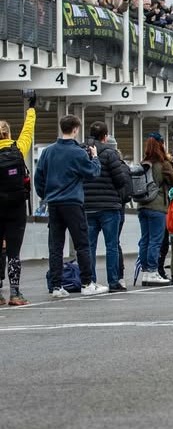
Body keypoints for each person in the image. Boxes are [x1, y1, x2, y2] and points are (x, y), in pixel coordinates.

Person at [34, 115, 108, 298]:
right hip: (73, 203)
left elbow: (38, 179)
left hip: (54, 204)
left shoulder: (48, 152)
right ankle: (87, 283)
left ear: (62, 128)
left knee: (56, 246)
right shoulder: (77, 152)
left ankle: (56, 286)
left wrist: (47, 195)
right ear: (75, 129)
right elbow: (93, 172)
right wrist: (95, 157)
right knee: (82, 244)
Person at [83, 121, 132, 292]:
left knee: (89, 246)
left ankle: (90, 281)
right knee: (111, 245)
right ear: (105, 136)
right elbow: (120, 180)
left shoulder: (81, 152)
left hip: (87, 205)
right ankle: (113, 281)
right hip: (109, 206)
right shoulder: (110, 154)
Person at [0, 94, 36, 305]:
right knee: (14, 251)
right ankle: (15, 293)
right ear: (8, 133)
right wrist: (31, 108)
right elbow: (28, 130)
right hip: (16, 207)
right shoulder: (18, 148)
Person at [136, 133, 173, 285]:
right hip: (157, 206)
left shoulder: (144, 162)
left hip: (142, 205)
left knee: (145, 239)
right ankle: (152, 271)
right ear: (161, 144)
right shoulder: (163, 164)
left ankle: (145, 272)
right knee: (155, 240)